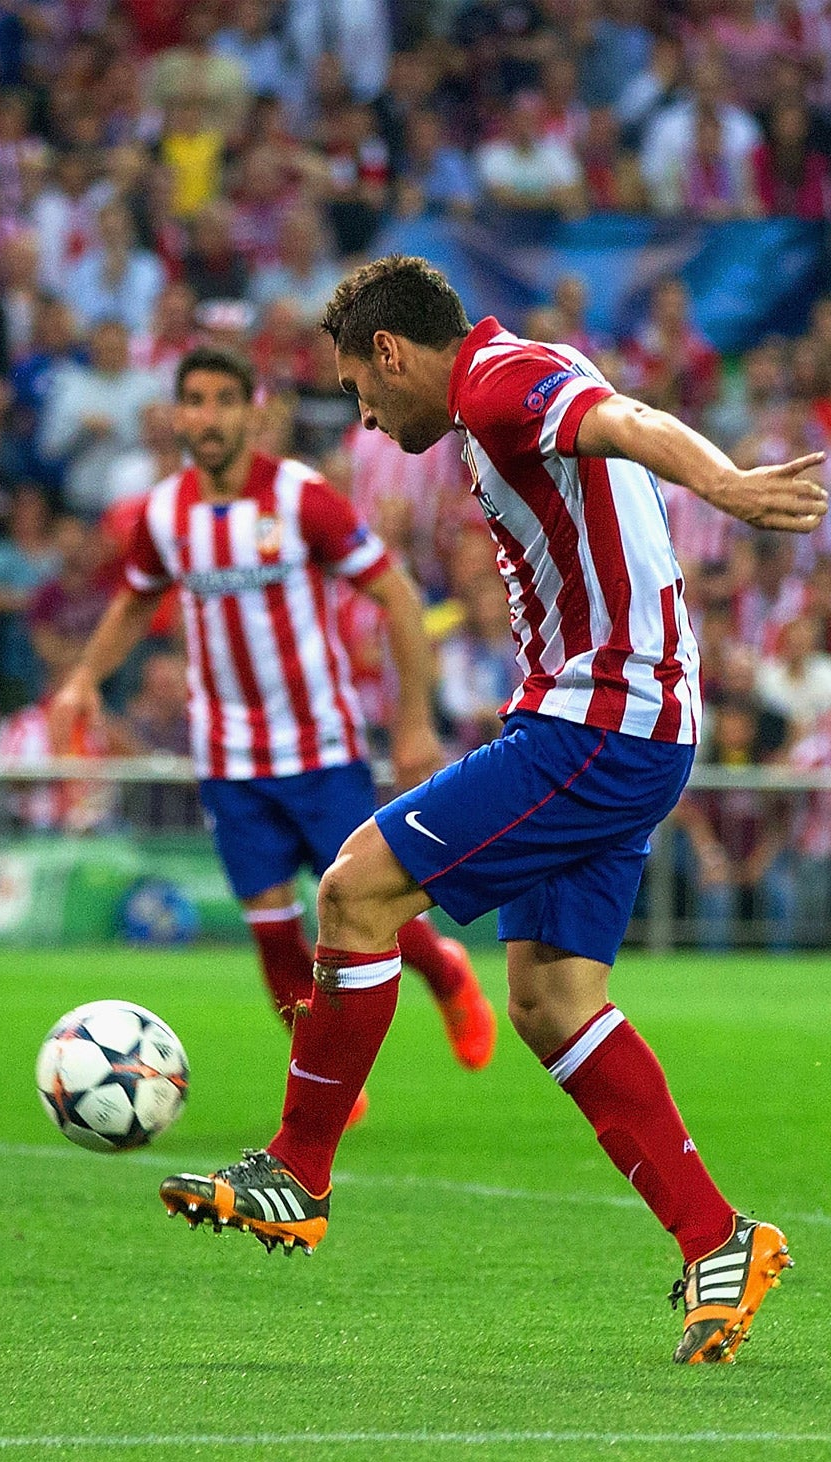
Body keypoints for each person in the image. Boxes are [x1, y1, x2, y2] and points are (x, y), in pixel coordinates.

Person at [156, 256, 825, 1365]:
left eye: (358, 394)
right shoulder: (513, 378)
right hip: (622, 721)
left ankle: (297, 1170)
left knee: (354, 891)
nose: (363, 419)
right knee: (554, 1002)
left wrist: (724, 485)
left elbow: (632, 420)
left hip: (596, 723)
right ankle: (716, 1239)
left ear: (390, 351)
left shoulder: (492, 385)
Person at [54, 346, 497, 1127]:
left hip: (322, 751)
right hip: (227, 761)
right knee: (273, 936)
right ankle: (329, 1081)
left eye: (226, 399)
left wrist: (414, 722)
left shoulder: (301, 499)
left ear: (252, 411)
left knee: (368, 907)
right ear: (177, 413)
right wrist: (85, 678)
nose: (209, 415)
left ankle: (447, 973)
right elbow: (133, 601)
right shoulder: (163, 515)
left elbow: (393, 592)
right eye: (195, 399)